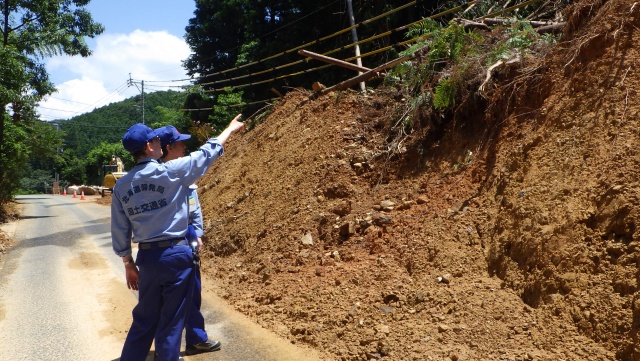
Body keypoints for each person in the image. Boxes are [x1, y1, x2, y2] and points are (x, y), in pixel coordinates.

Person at [111, 115, 244, 361]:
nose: (160, 143)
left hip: (147, 257)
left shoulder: (122, 186)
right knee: (172, 322)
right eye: (155, 139)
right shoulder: (172, 172)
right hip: (176, 254)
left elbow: (119, 228)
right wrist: (229, 129)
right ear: (149, 146)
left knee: (144, 317)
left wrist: (128, 263)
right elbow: (206, 153)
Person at [156, 125, 220, 355]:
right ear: (169, 148)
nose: (185, 146)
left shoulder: (185, 174)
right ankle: (167, 350)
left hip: (187, 237)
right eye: (180, 143)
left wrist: (197, 233)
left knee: (192, 291)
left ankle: (195, 338)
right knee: (167, 298)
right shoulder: (159, 177)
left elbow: (194, 209)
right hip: (169, 241)